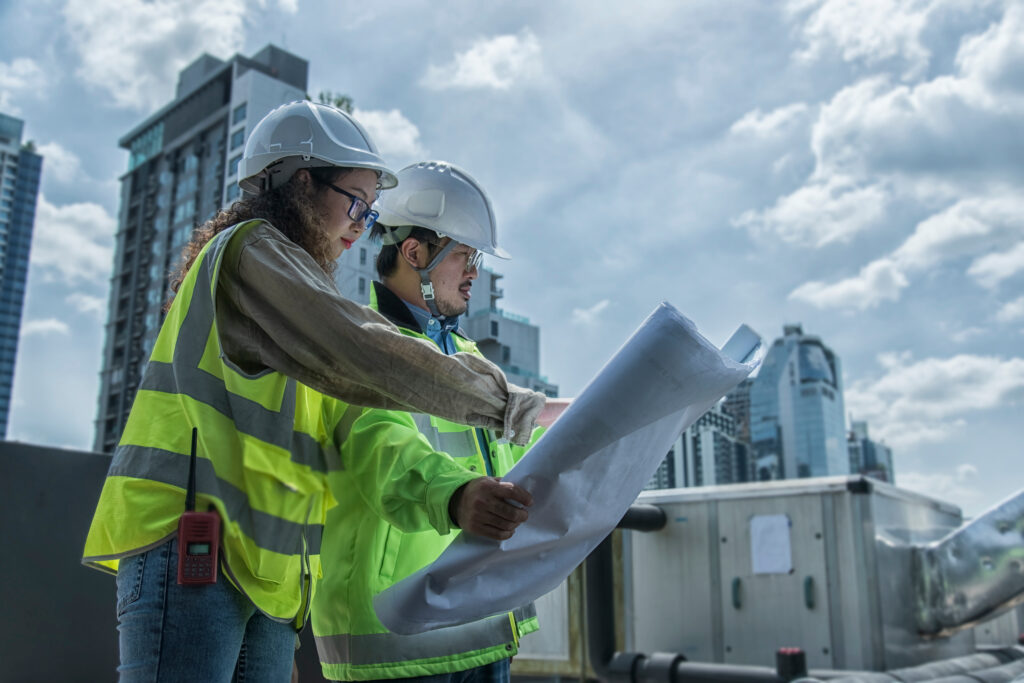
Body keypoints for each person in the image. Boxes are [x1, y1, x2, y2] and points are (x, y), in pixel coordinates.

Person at [81, 102, 543, 682]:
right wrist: (513, 405)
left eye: (369, 211)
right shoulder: (250, 251)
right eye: (355, 200)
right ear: (301, 182)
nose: (360, 222)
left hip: (265, 575)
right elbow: (363, 350)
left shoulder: (291, 293)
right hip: (195, 547)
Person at [311, 161, 545, 683]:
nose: (473, 272)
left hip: (482, 631)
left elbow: (514, 461)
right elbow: (385, 453)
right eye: (463, 255)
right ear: (414, 253)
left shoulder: (470, 358)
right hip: (400, 647)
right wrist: (458, 496)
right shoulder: (362, 343)